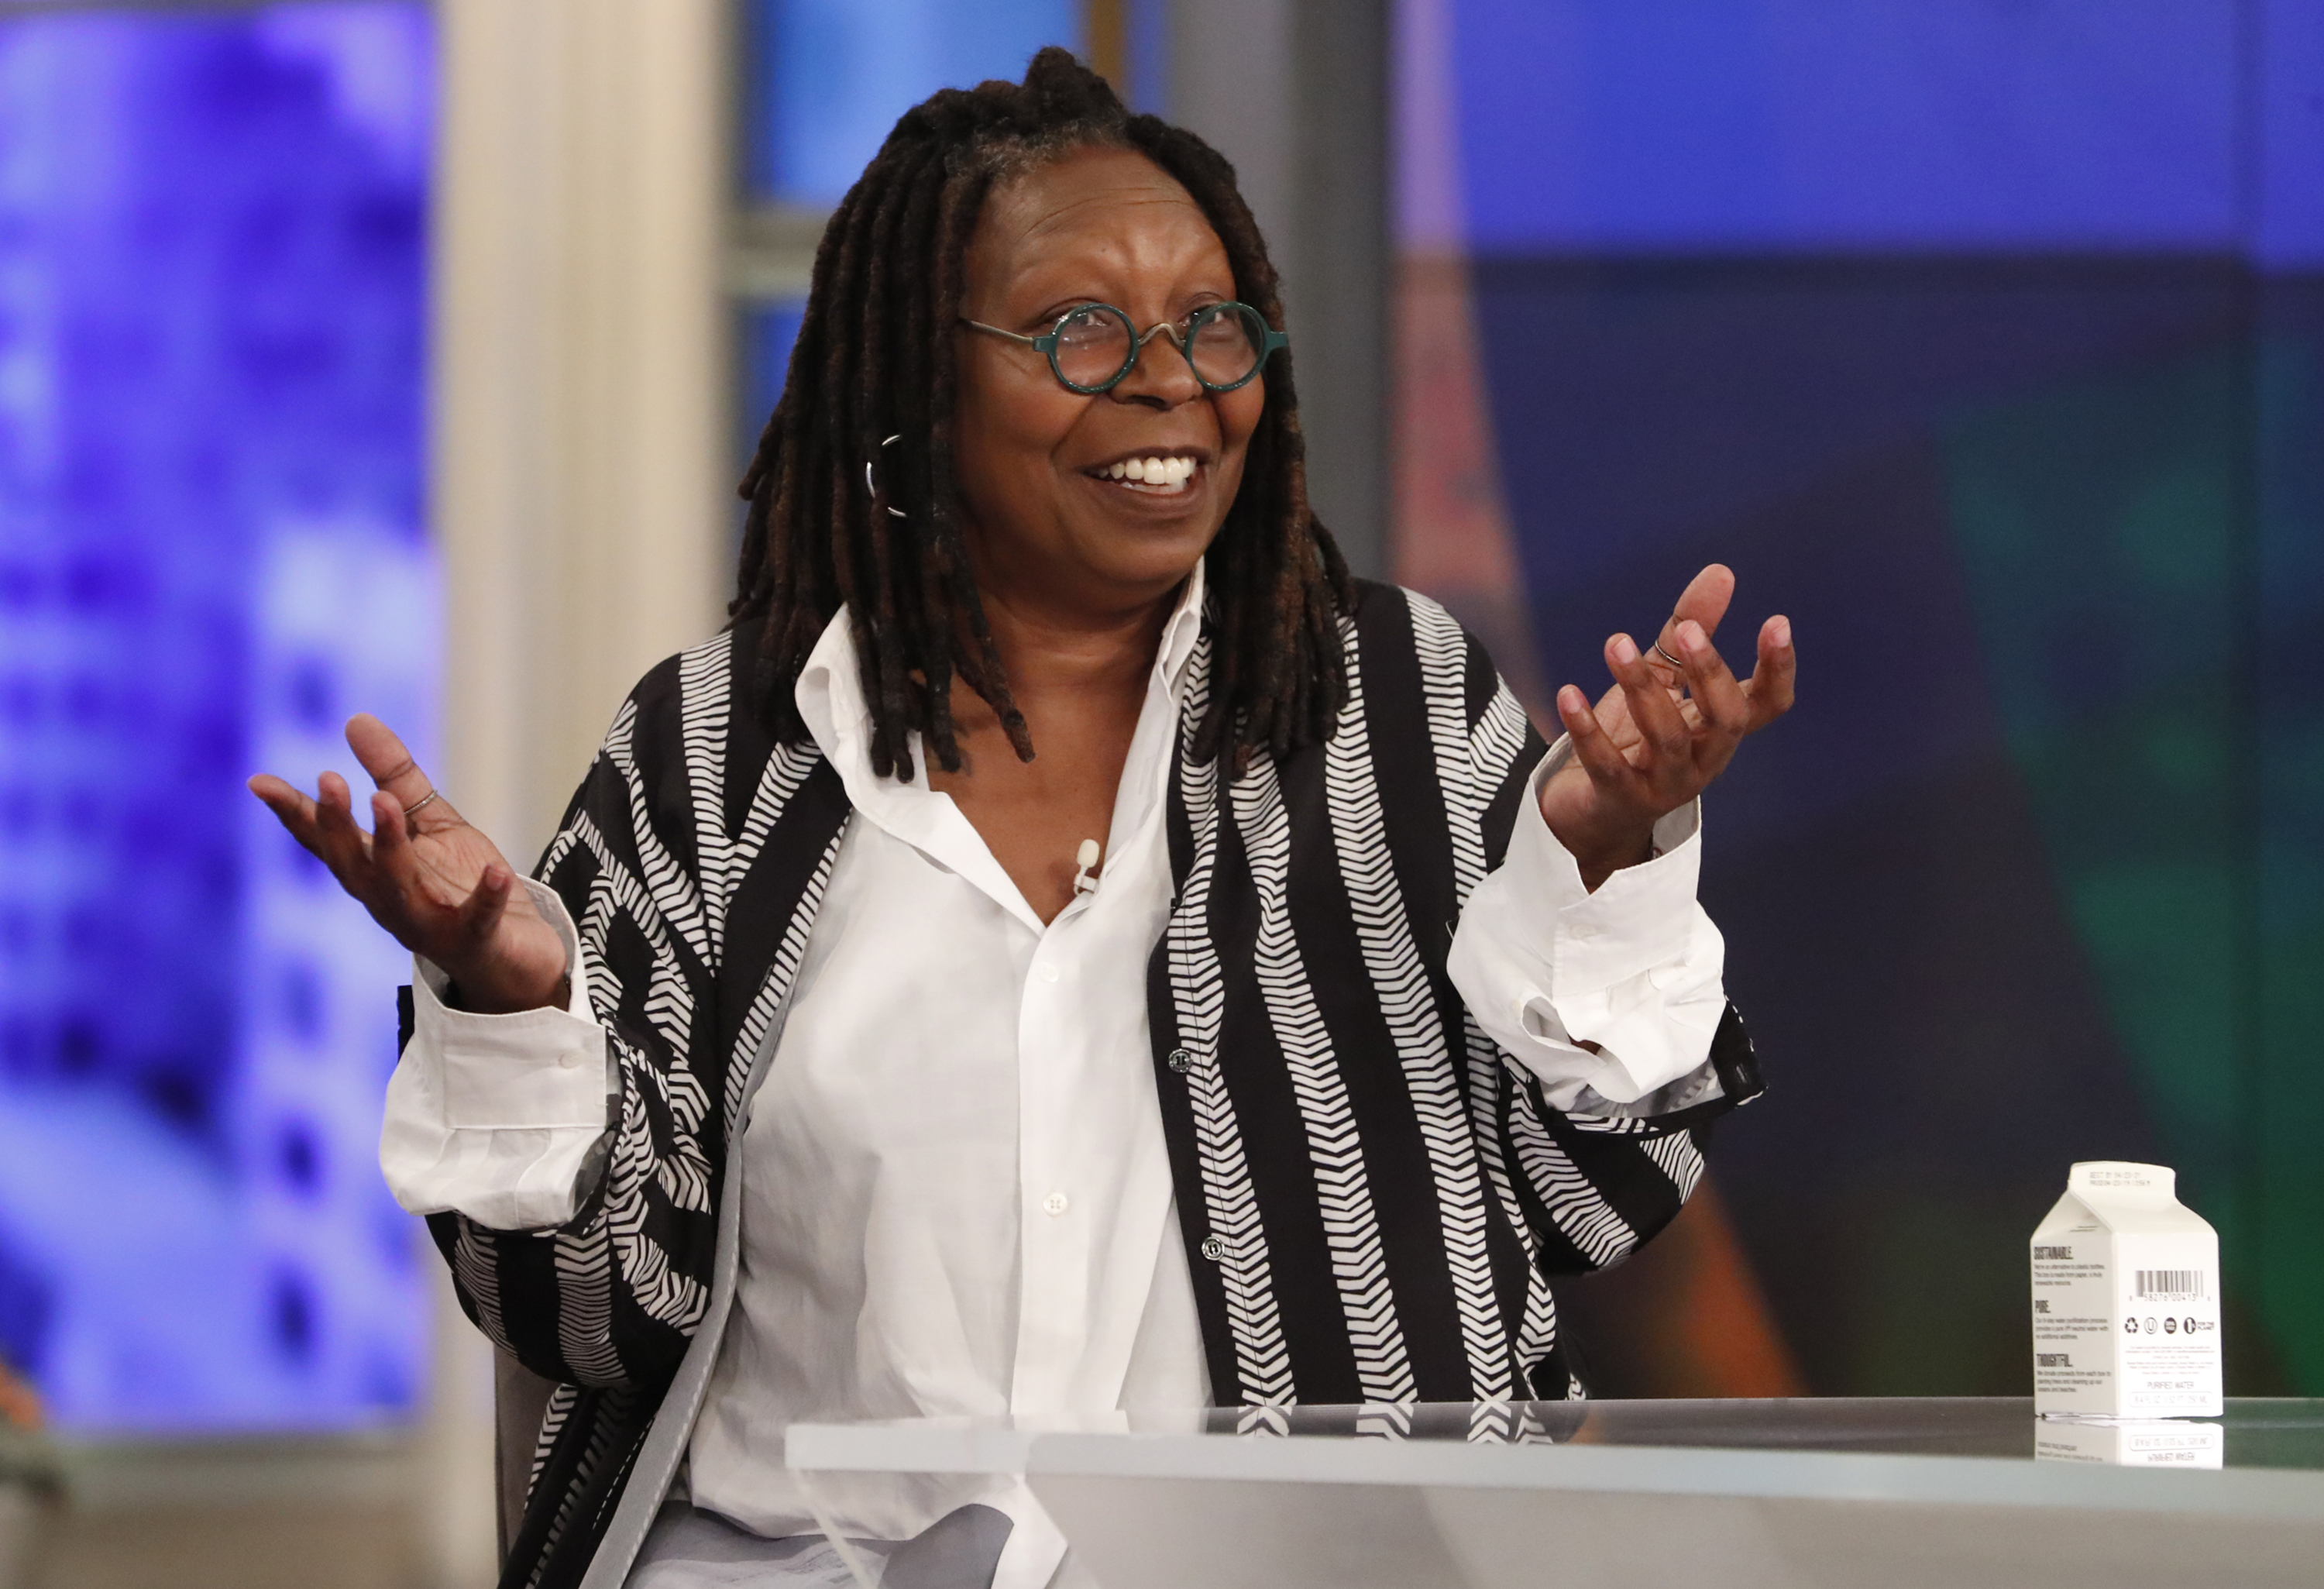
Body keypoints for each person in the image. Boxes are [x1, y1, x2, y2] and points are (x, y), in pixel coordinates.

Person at [251, 50, 1794, 1589]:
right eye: (1080, 329)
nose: (1172, 377)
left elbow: (1600, 1199)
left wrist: (1606, 855)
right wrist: (514, 1004)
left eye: (1210, 322)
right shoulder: (711, 759)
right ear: (917, 386)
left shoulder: (1391, 705)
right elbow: (589, 1312)